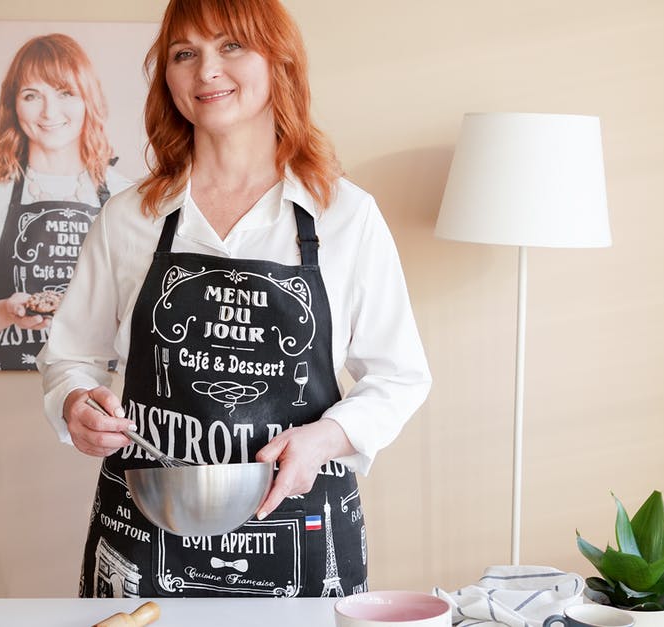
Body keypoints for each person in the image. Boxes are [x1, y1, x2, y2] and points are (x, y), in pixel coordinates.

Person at [37, 0, 431, 598]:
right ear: (166, 77)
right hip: (146, 524)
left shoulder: (345, 216)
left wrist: (323, 439)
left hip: (299, 524)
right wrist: (74, 404)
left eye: (231, 47)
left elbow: (400, 377)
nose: (206, 71)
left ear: (280, 61)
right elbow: (68, 357)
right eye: (184, 53)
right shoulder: (130, 217)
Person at [0, 33, 133, 370]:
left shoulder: (125, 196)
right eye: (32, 95)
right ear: (13, 104)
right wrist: (4, 311)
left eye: (65, 93)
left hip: (99, 394)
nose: (49, 111)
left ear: (89, 100)